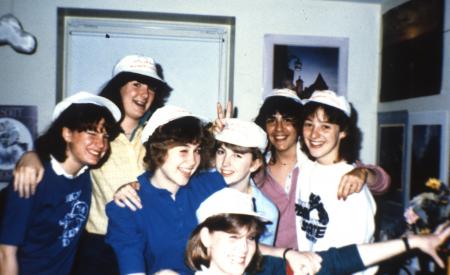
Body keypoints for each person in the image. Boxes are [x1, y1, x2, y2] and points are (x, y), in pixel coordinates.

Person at [107, 105, 322, 275]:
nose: (192, 161)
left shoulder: (205, 185)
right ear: (157, 152)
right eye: (183, 151)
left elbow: (239, 240)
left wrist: (286, 254)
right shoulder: (128, 207)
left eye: (197, 150)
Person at [12, 54, 172, 275]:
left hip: (145, 245)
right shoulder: (96, 136)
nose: (144, 93)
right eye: (136, 84)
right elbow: (57, 148)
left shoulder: (155, 136)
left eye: (151, 87)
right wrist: (30, 156)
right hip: (98, 248)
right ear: (118, 88)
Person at [187, 188, 450, 275]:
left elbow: (335, 261)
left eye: (250, 238)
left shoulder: (262, 269)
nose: (243, 249)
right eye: (233, 237)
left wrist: (412, 242)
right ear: (207, 237)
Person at [251, 88, 390, 249]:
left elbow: (382, 182)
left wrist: (364, 173)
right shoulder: (256, 168)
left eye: (288, 119)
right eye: (271, 120)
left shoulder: (319, 165)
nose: (279, 128)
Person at [0, 92, 120, 275]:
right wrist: (30, 157)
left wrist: (31, 154)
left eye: (105, 136)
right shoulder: (31, 180)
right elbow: (5, 253)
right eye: (92, 132)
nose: (100, 143)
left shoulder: (84, 175)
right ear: (67, 133)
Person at [295, 90, 376, 273]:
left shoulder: (351, 184)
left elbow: (357, 257)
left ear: (343, 132)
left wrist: (363, 172)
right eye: (309, 124)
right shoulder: (306, 168)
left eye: (325, 127)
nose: (314, 134)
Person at [213, 118, 278, 245]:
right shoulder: (201, 191)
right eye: (221, 152)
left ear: (255, 164)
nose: (225, 163)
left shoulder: (266, 211)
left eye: (237, 155)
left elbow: (261, 258)